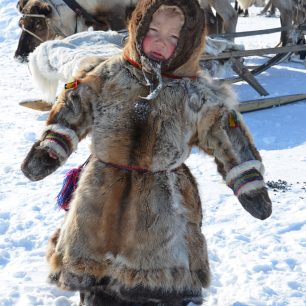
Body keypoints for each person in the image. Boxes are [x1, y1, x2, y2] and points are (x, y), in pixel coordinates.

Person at [21, 0, 272, 305]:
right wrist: (51, 147)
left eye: (173, 38)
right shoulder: (108, 74)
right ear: (138, 27)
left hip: (160, 209)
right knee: (98, 287)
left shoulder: (195, 94)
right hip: (99, 202)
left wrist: (248, 182)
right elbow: (76, 105)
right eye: (153, 30)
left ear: (188, 43)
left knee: (159, 289)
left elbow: (226, 134)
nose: (160, 42)